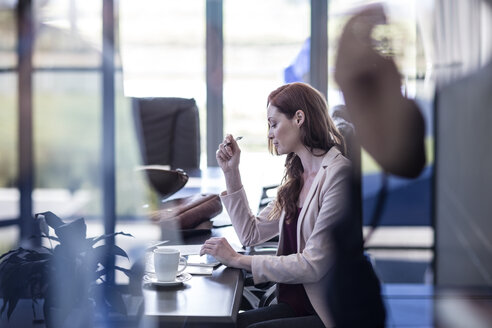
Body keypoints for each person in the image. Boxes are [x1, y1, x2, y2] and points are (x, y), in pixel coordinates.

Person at [200, 82, 361, 328]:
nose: (269, 134)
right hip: (295, 304)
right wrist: (232, 173)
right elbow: (251, 233)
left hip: (327, 312)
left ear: (299, 118)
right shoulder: (298, 176)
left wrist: (238, 259)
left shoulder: (338, 176)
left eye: (274, 124)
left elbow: (312, 265)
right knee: (219, 324)